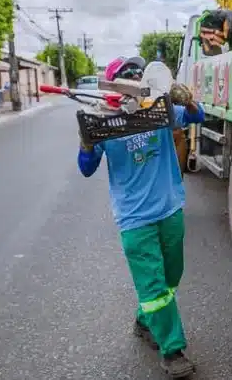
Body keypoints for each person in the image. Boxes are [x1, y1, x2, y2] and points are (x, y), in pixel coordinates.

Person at [78, 58, 204, 378]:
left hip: (170, 209)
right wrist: (87, 143)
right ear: (113, 86)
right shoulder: (104, 121)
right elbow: (86, 167)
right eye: (127, 75)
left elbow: (198, 116)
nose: (135, 78)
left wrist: (186, 98)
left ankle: (144, 320)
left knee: (171, 277)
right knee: (154, 287)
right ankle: (172, 350)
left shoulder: (159, 113)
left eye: (138, 73)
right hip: (134, 219)